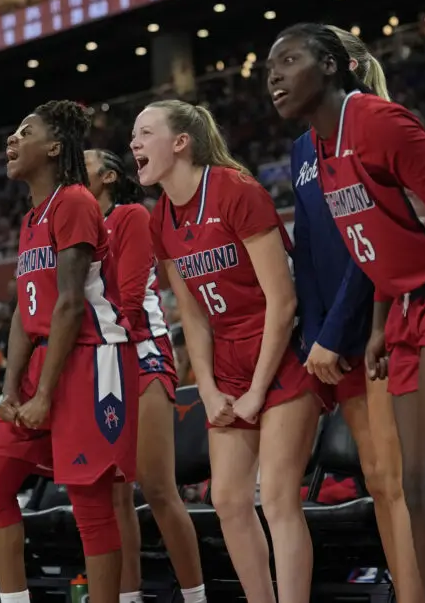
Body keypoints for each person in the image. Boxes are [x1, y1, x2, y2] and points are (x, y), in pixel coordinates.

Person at [267, 26, 425, 603]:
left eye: (288, 60)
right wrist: (381, 324)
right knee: (418, 485)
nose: (274, 76)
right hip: (406, 307)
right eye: (268, 69)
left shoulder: (378, 121)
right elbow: (375, 242)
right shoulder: (317, 144)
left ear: (332, 65)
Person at [133, 99, 328, 603]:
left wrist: (257, 392)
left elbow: (283, 303)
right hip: (227, 359)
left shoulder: (236, 191)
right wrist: (211, 388)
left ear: (181, 143)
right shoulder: (161, 219)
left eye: (145, 132)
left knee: (280, 497)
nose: (133, 143)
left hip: (280, 348)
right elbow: (193, 315)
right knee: (227, 499)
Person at [0, 100, 137, 603]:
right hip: (45, 359)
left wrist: (43, 393)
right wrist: (10, 386)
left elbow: (68, 304)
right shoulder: (31, 218)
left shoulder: (75, 201)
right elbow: (26, 312)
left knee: (90, 503)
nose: (12, 140)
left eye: (26, 131)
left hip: (90, 357)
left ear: (55, 146)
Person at [289, 26, 425, 603]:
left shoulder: (376, 125)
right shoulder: (303, 147)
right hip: (332, 337)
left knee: (397, 482)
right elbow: (310, 251)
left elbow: (366, 250)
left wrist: (337, 332)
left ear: (335, 66)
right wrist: (313, 338)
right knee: (376, 479)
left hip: (377, 324)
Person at [84, 148, 206, 603]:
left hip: (142, 350)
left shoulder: (131, 215)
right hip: (101, 360)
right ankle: (128, 597)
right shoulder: (73, 223)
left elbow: (130, 300)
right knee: (116, 494)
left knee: (156, 486)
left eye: (88, 161)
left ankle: (195, 597)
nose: (77, 166)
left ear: (110, 176)